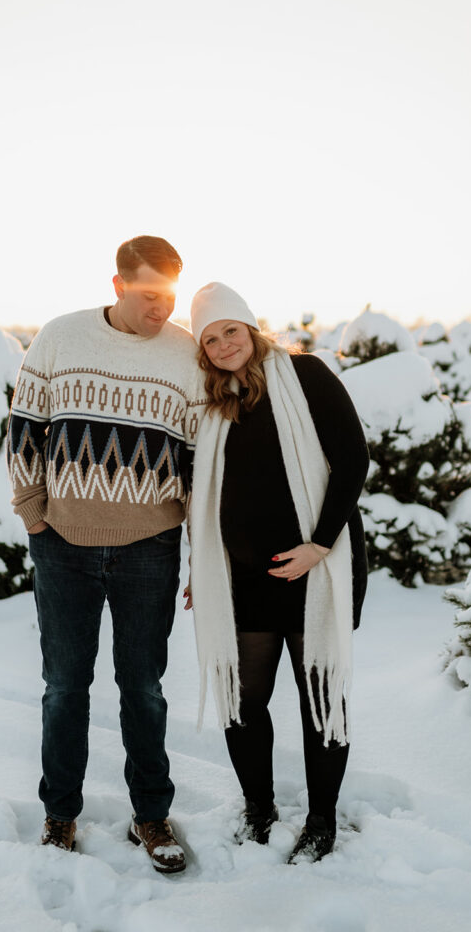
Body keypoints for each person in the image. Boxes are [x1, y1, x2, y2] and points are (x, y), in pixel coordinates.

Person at [6, 235, 206, 873]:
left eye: (168, 297)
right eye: (149, 295)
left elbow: (204, 465)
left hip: (151, 547)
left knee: (142, 687)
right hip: (63, 546)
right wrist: (37, 517)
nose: (160, 309)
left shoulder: (186, 355)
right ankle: (59, 814)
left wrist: (199, 554)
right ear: (118, 285)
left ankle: (150, 815)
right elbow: (22, 428)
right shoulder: (60, 337)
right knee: (65, 687)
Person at [186, 282, 368, 863]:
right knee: (244, 703)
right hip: (241, 579)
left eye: (229, 331)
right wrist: (203, 567)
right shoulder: (214, 401)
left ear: (251, 327)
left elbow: (353, 459)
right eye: (209, 339)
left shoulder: (306, 375)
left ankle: (321, 822)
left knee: (319, 699)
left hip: (316, 569)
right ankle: (259, 810)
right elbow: (204, 496)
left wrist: (318, 544)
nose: (222, 345)